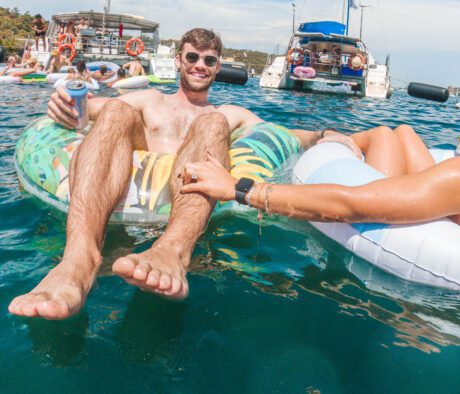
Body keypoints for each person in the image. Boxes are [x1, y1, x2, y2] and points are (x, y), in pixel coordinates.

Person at [8, 28, 339, 320]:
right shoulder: (151, 99)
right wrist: (66, 106)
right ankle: (79, 260)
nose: (200, 65)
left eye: (209, 61)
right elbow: (88, 112)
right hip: (120, 194)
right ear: (179, 60)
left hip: (188, 218)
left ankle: (174, 252)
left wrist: (322, 135)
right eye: (193, 56)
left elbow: (280, 133)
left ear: (217, 67)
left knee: (212, 123)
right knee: (117, 109)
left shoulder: (228, 113)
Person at [183, 49, 460, 250]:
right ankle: (340, 140)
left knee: (387, 136)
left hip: (407, 326)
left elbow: (350, 205)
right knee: (397, 130)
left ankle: (332, 141)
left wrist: (239, 188)